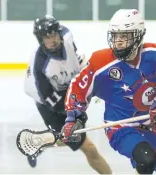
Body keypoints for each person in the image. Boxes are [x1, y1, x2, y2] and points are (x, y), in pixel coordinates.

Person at [61, 9, 156, 174]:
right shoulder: (100, 62)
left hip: (153, 125)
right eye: (115, 36)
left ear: (138, 35)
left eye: (124, 36)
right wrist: (74, 117)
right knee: (146, 159)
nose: (119, 42)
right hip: (121, 126)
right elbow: (78, 87)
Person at [23, 15, 112, 174]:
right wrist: (75, 114)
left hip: (65, 87)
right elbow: (53, 102)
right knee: (88, 147)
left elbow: (73, 60)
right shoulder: (40, 66)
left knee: (69, 138)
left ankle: (40, 141)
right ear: (40, 39)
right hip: (49, 104)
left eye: (54, 34)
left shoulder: (67, 36)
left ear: (59, 32)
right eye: (47, 37)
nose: (52, 40)